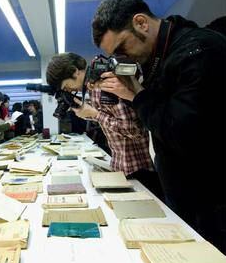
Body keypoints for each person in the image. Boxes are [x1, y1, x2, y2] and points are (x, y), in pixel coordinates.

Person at [91, 0, 226, 254]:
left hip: (213, 205)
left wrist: (136, 95)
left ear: (141, 23)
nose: (123, 59)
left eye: (122, 49)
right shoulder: (163, 56)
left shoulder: (198, 51)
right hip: (189, 199)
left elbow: (183, 134)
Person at [46, 52, 162, 199]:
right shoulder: (94, 87)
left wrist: (95, 114)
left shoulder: (105, 84)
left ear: (75, 71)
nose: (69, 90)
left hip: (138, 171)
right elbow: (113, 120)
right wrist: (89, 114)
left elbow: (133, 130)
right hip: (121, 167)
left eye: (66, 86)